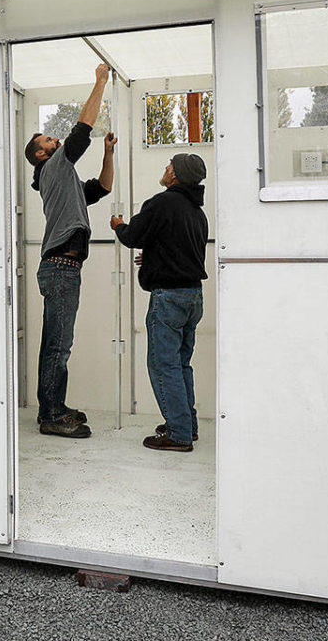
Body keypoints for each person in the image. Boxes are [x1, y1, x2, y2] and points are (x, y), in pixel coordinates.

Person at [24, 62, 115, 439]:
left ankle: (53, 406)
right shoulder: (54, 168)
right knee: (59, 345)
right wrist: (99, 82)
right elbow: (82, 129)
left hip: (62, 268)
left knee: (58, 343)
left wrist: (108, 153)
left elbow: (103, 189)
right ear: (42, 155)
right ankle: (51, 415)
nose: (55, 140)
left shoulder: (66, 177)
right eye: (48, 140)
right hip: (60, 267)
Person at [109, 153, 208, 452]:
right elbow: (179, 250)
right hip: (192, 296)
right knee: (180, 364)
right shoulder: (197, 213)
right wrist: (152, 257)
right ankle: (186, 425)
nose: (165, 170)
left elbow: (133, 236)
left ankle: (177, 434)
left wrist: (118, 225)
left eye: (169, 166)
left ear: (176, 175)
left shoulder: (162, 203)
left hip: (168, 298)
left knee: (163, 365)